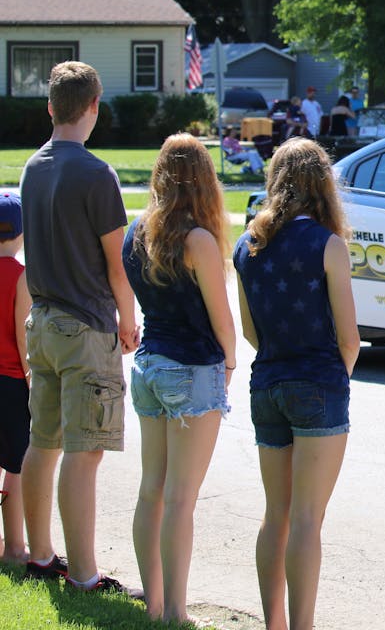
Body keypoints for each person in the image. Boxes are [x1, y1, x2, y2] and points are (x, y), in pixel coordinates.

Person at [20, 61, 139, 593]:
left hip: (40, 322)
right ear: (94, 108)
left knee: (42, 442)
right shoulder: (97, 173)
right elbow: (117, 264)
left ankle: (41, 556)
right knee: (85, 451)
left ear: (50, 107)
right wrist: (130, 319)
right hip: (85, 326)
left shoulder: (31, 166)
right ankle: (85, 575)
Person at [233, 138, 358, 630]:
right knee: (308, 519)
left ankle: (275, 624)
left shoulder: (248, 243)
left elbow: (249, 332)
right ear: (321, 185)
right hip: (318, 384)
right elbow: (350, 339)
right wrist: (334, 384)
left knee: (276, 515)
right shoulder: (329, 245)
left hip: (267, 384)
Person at [124, 134, 237, 624]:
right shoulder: (199, 240)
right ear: (203, 181)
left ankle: (152, 606)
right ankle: (175, 612)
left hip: (149, 366)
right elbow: (221, 320)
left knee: (152, 488)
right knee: (180, 499)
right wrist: (231, 364)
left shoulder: (137, 231)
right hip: (192, 371)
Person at [0, 192, 31, 565]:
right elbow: (24, 336)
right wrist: (31, 379)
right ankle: (15, 548)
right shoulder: (21, 276)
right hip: (10, 382)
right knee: (18, 466)